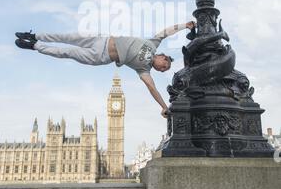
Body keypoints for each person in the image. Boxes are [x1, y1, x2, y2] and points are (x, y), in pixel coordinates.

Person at [15, 21, 196, 118]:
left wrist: (164, 107)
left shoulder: (144, 70)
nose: (162, 69)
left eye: (164, 71)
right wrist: (184, 26)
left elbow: (152, 89)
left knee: (66, 52)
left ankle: (34, 45)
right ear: (162, 57)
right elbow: (166, 31)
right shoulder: (152, 43)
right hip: (100, 40)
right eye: (164, 66)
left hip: (100, 57)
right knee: (66, 36)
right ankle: (34, 35)